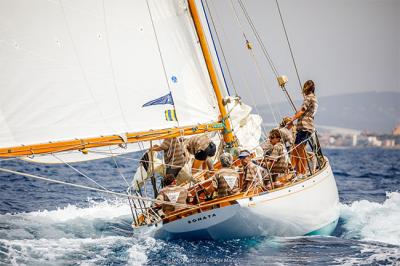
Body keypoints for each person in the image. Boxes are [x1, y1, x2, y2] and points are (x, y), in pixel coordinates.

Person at [289, 80, 318, 175]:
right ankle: (299, 171)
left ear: (306, 88)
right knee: (298, 149)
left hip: (304, 127)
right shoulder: (314, 98)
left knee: (299, 149)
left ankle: (301, 171)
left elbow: (302, 110)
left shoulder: (308, 98)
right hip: (308, 127)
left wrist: (292, 119)